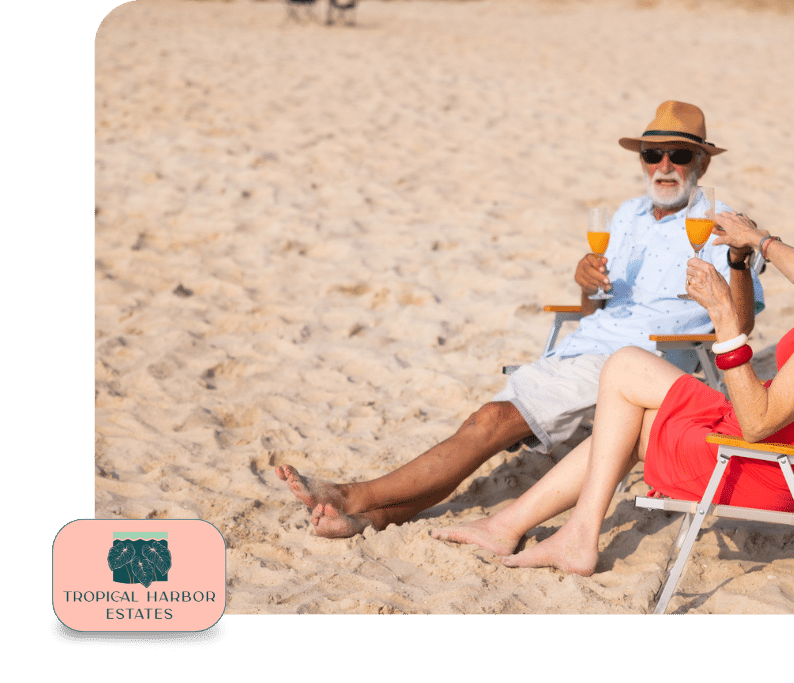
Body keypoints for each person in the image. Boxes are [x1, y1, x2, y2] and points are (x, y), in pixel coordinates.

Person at [432, 126, 794, 576]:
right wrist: (757, 241)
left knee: (626, 408)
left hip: (763, 465)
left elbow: (759, 421)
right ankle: (525, 527)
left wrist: (725, 318)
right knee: (626, 367)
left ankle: (571, 536)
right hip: (791, 449)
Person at [276, 101, 765, 537]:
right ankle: (373, 518)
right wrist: (584, 282)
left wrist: (739, 262)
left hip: (641, 361)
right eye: (651, 155)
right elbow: (595, 304)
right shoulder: (627, 214)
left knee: (490, 422)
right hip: (584, 346)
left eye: (679, 155)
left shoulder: (723, 221)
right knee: (487, 426)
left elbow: (741, 327)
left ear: (701, 161)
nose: (664, 166)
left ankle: (352, 495)